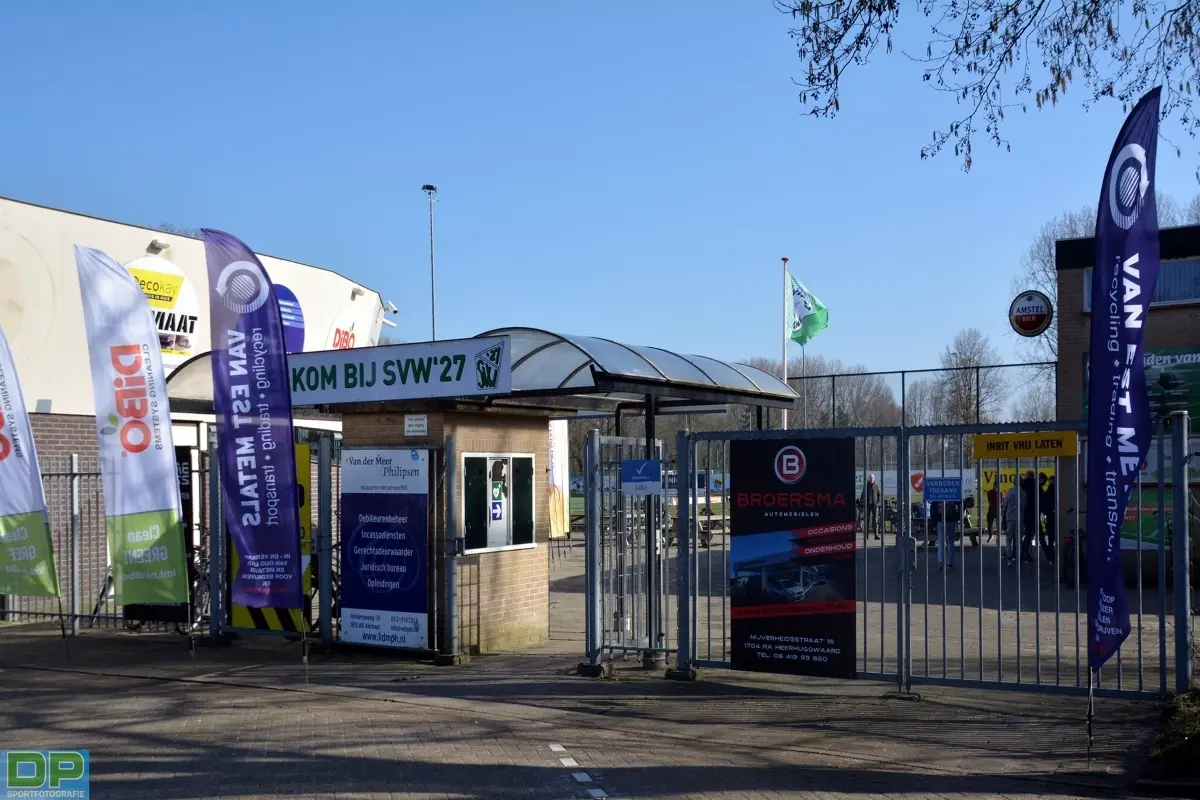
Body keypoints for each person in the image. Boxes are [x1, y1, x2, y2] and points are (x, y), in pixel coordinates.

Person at [935, 499, 961, 570]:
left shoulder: (938, 495)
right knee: (950, 543)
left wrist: (935, 520)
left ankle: (941, 562)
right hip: (951, 520)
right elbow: (961, 503)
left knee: (941, 542)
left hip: (941, 520)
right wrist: (957, 517)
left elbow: (933, 507)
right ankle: (949, 563)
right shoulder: (952, 495)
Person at [1039, 473, 1057, 566]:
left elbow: (1042, 506)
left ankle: (1051, 557)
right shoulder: (1059, 492)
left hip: (1050, 517)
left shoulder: (1046, 493)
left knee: (1050, 539)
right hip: (1058, 516)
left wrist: (1046, 512)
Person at [863, 473, 881, 541]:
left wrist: (877, 502)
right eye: (870, 478)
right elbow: (862, 495)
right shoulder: (866, 487)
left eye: (872, 478)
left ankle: (876, 535)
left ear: (874, 479)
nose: (871, 479)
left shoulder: (876, 486)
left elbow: (879, 495)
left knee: (875, 520)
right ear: (868, 479)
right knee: (867, 520)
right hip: (867, 506)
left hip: (875, 506)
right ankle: (866, 536)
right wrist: (864, 502)